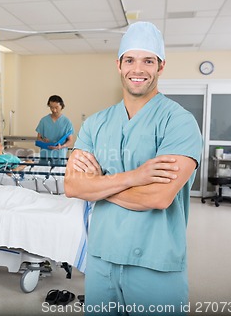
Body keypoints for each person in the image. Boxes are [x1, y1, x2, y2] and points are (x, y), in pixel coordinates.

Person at [64, 22, 203, 315]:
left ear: (161, 66)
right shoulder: (95, 124)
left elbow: (158, 198)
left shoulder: (179, 122)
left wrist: (99, 185)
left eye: (148, 60)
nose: (137, 69)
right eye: (130, 60)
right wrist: (135, 178)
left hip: (155, 262)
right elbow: (73, 187)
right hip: (102, 259)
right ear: (118, 64)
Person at [35, 95, 74, 163]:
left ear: (61, 106)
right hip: (45, 153)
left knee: (58, 172)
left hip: (59, 154)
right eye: (51, 107)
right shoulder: (44, 120)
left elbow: (70, 140)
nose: (54, 110)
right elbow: (38, 138)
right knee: (43, 171)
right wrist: (43, 140)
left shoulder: (67, 122)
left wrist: (61, 146)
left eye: (56, 107)